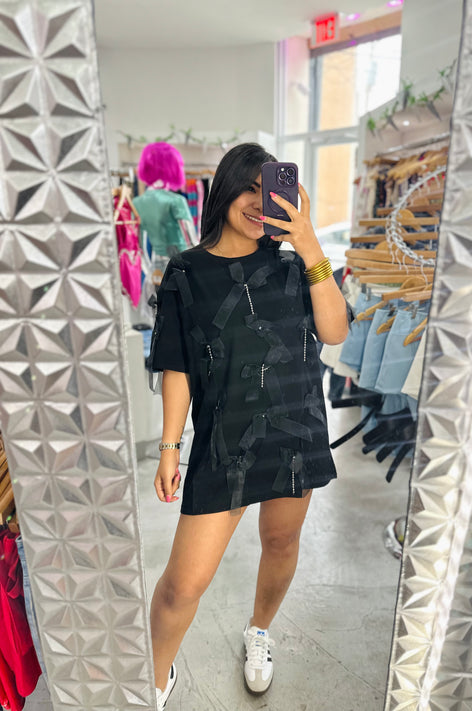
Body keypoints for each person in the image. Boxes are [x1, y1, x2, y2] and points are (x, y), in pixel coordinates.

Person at [147, 143, 350, 710]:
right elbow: (177, 363)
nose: (261, 204)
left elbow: (335, 332)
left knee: (281, 541)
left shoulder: (296, 264)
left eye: (271, 191)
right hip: (224, 441)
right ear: (225, 190)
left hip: (295, 431)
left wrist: (309, 245)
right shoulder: (186, 271)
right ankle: (156, 679)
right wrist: (170, 447)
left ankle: (259, 630)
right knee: (183, 584)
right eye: (249, 189)